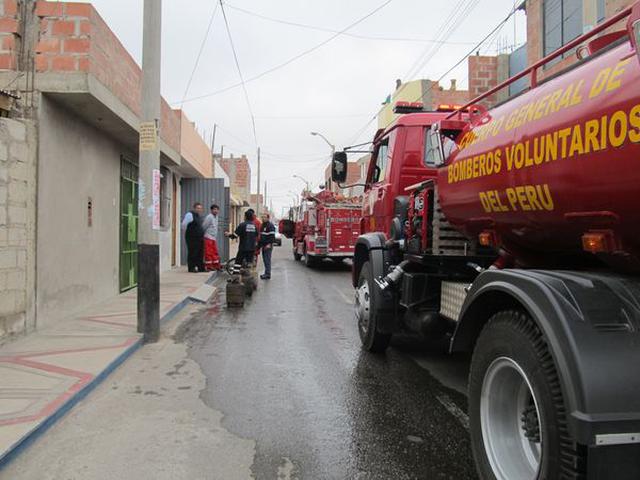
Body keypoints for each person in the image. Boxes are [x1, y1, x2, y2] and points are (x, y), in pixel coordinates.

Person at [181, 202, 205, 272]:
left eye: (200, 208)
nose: (199, 210)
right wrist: (189, 232)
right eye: (198, 208)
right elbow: (184, 225)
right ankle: (191, 268)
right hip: (192, 237)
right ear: (194, 208)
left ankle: (201, 268)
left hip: (199, 237)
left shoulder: (198, 216)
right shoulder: (190, 214)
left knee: (200, 253)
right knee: (193, 252)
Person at [202, 204, 222, 271]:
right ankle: (209, 266)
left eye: (217, 209)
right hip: (208, 237)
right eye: (214, 209)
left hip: (213, 238)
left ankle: (216, 266)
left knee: (214, 252)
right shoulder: (209, 217)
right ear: (211, 210)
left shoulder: (216, 217)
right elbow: (204, 226)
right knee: (208, 252)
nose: (216, 211)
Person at [258, 212, 276, 280]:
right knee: (265, 260)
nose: (263, 218)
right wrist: (259, 246)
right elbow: (261, 236)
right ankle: (266, 273)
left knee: (267, 260)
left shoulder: (270, 226)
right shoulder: (262, 225)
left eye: (265, 217)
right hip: (263, 245)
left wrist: (269, 244)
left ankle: (268, 274)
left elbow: (272, 237)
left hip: (268, 245)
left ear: (268, 218)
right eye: (262, 217)